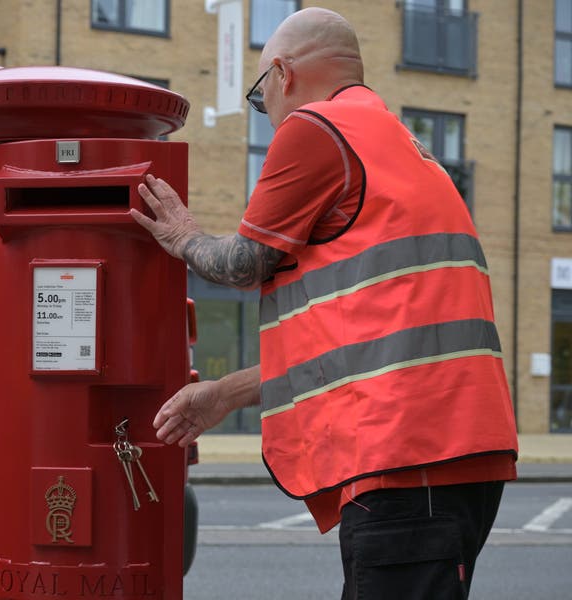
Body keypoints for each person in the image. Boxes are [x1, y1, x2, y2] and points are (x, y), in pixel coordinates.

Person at [131, 7, 519, 600]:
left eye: (260, 103)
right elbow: (357, 345)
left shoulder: (317, 129)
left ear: (282, 75)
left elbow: (243, 263)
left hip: (406, 454)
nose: (268, 120)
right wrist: (223, 394)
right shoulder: (397, 144)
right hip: (446, 453)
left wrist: (182, 235)